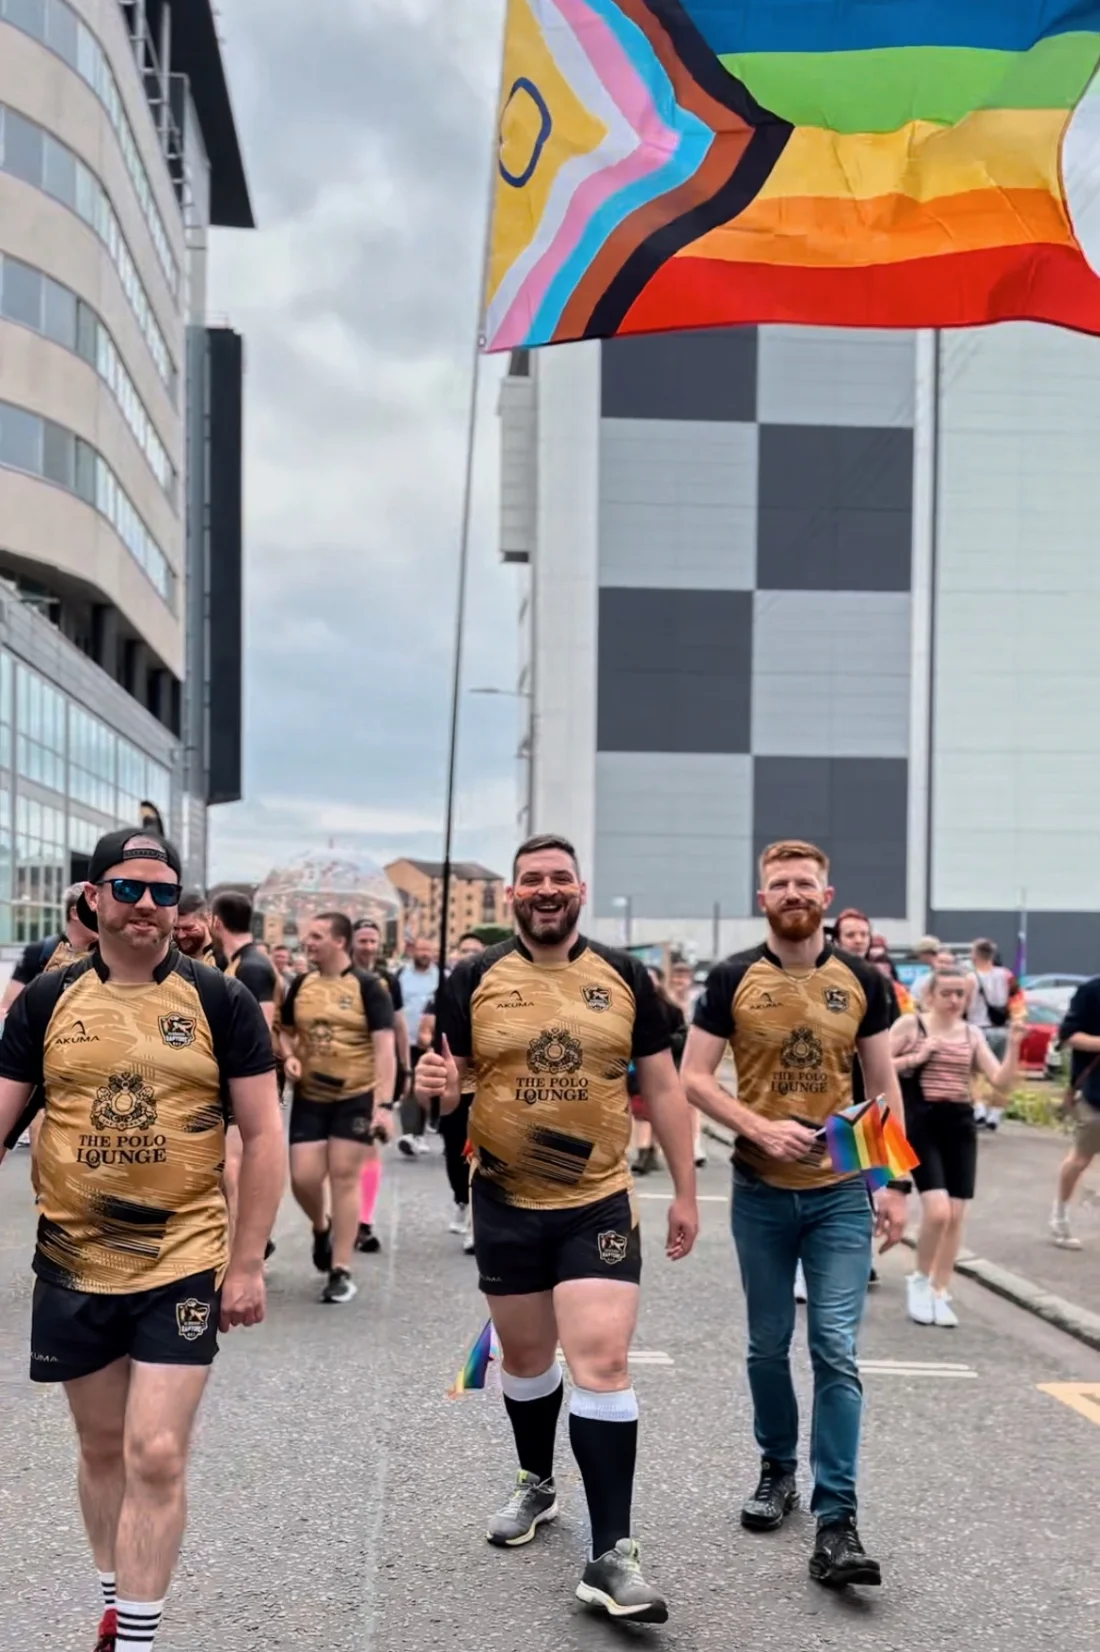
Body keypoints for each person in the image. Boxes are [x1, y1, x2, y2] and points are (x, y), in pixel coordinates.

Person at [0, 829, 285, 1652]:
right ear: (93, 898)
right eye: (129, 890)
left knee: (155, 1453)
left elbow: (263, 1137)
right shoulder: (49, 1001)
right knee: (100, 1449)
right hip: (73, 1260)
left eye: (164, 892)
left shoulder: (220, 1001)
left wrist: (247, 1264)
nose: (148, 908)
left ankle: (137, 1640)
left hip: (183, 1260)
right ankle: (112, 1599)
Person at [417, 833, 698, 1623]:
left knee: (602, 1361)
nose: (546, 889)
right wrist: (434, 1085)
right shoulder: (472, 977)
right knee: (529, 1360)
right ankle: (536, 1482)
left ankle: (613, 1555)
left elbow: (666, 1091)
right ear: (513, 894)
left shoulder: (626, 976)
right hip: (505, 1195)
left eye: (559, 878)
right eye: (532, 878)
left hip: (598, 1198)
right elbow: (445, 1086)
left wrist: (686, 1189)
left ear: (580, 889)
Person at [682, 839, 908, 1590]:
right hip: (760, 1191)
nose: (792, 891)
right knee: (767, 1343)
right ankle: (777, 1468)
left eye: (804, 881)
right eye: (779, 882)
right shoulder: (730, 978)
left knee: (836, 1347)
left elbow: (882, 1087)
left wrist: (893, 1181)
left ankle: (837, 1515)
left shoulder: (865, 980)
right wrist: (754, 1125)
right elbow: (691, 1078)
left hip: (841, 1192)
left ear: (825, 891)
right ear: (763, 897)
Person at [891, 966, 1022, 1325]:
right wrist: (915, 1058)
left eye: (960, 994)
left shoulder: (972, 1034)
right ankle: (918, 1280)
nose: (953, 1000)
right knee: (937, 1211)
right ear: (929, 995)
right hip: (921, 1121)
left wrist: (1014, 1046)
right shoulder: (911, 1026)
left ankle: (939, 1289)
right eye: (946, 993)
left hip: (960, 1123)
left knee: (957, 1214)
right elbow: (874, 1067)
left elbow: (1000, 1082)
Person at [281, 912, 396, 1304]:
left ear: (340, 942)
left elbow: (385, 1049)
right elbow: (286, 1031)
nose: (307, 942)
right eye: (306, 935)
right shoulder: (301, 984)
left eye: (316, 936)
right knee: (302, 1178)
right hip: (311, 1096)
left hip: (355, 1096)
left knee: (344, 1177)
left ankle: (340, 1268)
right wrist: (289, 1056)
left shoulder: (369, 987)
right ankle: (320, 1225)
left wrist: (384, 1104)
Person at [0, 883, 97, 1171]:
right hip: (37, 1066)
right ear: (76, 913)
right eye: (93, 907)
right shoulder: (40, 952)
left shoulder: (108, 955)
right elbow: (9, 1006)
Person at [210, 891, 280, 1259]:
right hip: (235, 1077)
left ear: (216, 922)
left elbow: (261, 1028)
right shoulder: (236, 962)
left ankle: (243, 1250)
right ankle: (250, 1238)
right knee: (231, 1169)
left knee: (234, 1170)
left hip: (247, 1078)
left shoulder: (252, 966)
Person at [420, 932, 486, 1251]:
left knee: (481, 1155)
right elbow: (428, 1030)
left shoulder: (498, 989)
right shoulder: (444, 993)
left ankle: (477, 1222)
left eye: (476, 951)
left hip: (488, 1087)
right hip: (455, 1083)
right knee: (456, 1151)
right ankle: (461, 1198)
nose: (469, 956)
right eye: (465, 950)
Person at [351, 919, 411, 1253]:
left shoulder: (389, 981)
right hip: (344, 1074)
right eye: (363, 940)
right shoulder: (336, 979)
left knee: (370, 1146)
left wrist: (406, 1068)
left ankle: (364, 1221)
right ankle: (342, 1215)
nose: (369, 947)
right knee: (345, 1152)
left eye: (373, 941)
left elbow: (399, 1026)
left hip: (378, 1075)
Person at [1050, 974, 1100, 1248]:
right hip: (1095, 1093)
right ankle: (1060, 1216)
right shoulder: (1091, 990)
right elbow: (1068, 1035)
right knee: (1081, 1158)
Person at [630, 967, 686, 1177]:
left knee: (657, 1113)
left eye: (652, 978)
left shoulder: (671, 1009)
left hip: (666, 1068)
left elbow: (683, 1036)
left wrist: (665, 1043)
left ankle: (650, 1152)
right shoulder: (631, 1006)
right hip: (637, 1068)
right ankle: (644, 1153)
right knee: (642, 1113)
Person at [965, 939, 1022, 1130]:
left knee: (970, 1072)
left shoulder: (970, 978)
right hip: (1002, 1029)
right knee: (1002, 1073)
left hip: (977, 1029)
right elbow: (1018, 1001)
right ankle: (995, 1114)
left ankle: (978, 1108)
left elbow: (964, 1006)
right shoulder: (1007, 976)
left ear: (975, 955)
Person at [396, 935, 440, 1156]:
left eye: (428, 950)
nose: (424, 954)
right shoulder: (401, 975)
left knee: (425, 1088)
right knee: (409, 1084)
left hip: (431, 1043)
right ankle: (409, 1133)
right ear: (412, 951)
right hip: (407, 1041)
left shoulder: (443, 977)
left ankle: (420, 1132)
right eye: (420, 949)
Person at [669, 961, 705, 1166]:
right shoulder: (666, 999)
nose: (679, 981)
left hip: (694, 1056)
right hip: (670, 1055)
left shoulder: (697, 1001)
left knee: (693, 1101)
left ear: (690, 980)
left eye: (683, 977)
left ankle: (695, 1145)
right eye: (676, 977)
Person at [173, 892, 224, 970]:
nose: (181, 935)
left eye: (188, 928)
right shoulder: (167, 959)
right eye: (175, 929)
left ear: (208, 919)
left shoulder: (225, 960)